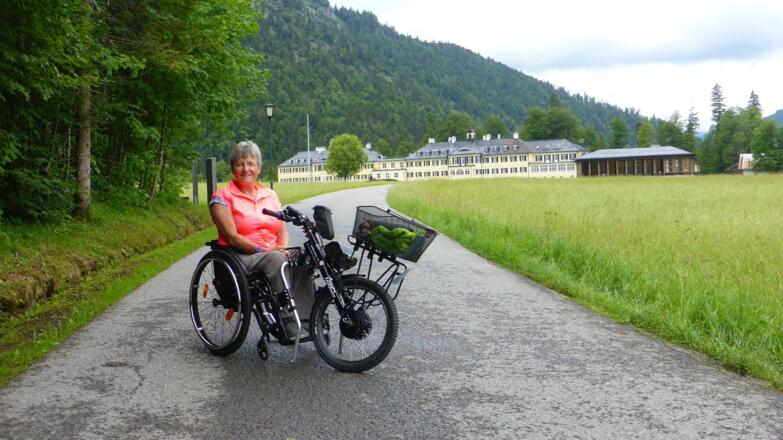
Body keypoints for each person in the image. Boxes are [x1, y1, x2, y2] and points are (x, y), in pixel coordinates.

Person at [209, 141, 314, 341]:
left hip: (271, 251)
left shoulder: (270, 195)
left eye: (250, 163)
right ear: (233, 169)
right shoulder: (222, 197)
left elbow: (281, 228)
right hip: (241, 255)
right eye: (240, 164)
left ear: (258, 168)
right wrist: (265, 249)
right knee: (276, 260)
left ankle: (309, 320)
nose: (246, 169)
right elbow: (231, 236)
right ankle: (288, 323)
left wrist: (282, 247)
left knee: (301, 258)